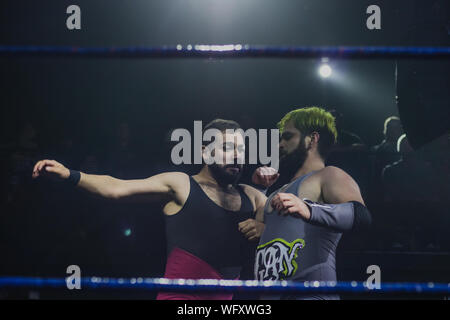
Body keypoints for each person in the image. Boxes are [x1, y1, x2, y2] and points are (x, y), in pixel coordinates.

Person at [32, 119, 278, 300]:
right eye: (227, 148)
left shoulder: (253, 196)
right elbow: (116, 188)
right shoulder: (181, 184)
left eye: (241, 150)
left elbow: (284, 230)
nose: (236, 157)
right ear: (205, 151)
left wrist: (265, 213)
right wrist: (70, 175)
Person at [254, 107, 372, 300]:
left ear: (312, 139)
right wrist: (260, 189)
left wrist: (308, 208)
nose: (280, 145)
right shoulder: (278, 190)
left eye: (288, 137)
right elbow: (261, 231)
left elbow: (361, 216)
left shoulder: (329, 175)